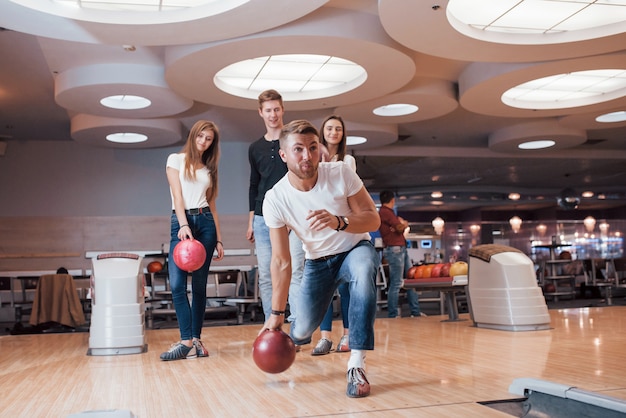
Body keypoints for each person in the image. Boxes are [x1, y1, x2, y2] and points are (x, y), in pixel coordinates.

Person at [261, 119, 380, 398]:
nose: (307, 156)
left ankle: (356, 364)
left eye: (313, 148)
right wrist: (276, 314)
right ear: (284, 155)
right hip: (318, 262)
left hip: (354, 250)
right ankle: (299, 336)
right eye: (298, 149)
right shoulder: (275, 198)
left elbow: (373, 219)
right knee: (301, 331)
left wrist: (339, 221)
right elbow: (281, 261)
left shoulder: (340, 172)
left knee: (363, 272)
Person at [160, 120, 224, 361]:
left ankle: (195, 339)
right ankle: (185, 339)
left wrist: (218, 239)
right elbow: (177, 196)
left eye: (208, 139)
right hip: (182, 222)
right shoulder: (174, 160)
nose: (203, 142)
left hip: (205, 222)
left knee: (198, 287)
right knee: (177, 285)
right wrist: (184, 224)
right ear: (193, 136)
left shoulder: (209, 169)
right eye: (200, 136)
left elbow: (213, 205)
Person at [246, 89, 304, 323]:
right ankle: (273, 324)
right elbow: (254, 185)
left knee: (296, 271)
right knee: (268, 275)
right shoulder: (255, 148)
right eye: (268, 110)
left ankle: (299, 326)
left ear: (283, 110)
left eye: (277, 109)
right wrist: (250, 221)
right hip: (262, 218)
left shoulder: (292, 142)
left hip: (294, 216)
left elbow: (301, 175)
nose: (273, 114)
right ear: (261, 113)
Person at [312, 115, 355, 355]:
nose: (334, 132)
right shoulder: (313, 158)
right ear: (322, 131)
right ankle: (325, 337)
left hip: (342, 227)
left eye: (338, 128)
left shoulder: (347, 160)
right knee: (325, 288)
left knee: (346, 287)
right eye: (329, 128)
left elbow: (343, 189)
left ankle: (347, 336)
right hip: (321, 230)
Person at [378, 190, 424, 318]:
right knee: (397, 283)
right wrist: (403, 224)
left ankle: (415, 311)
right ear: (392, 200)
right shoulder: (386, 212)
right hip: (395, 249)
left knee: (410, 280)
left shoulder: (384, 213)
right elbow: (399, 227)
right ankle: (393, 314)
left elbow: (397, 228)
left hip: (399, 248)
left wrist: (399, 225)